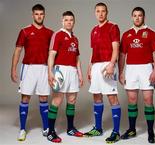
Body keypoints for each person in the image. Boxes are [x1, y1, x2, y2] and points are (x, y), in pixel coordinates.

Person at [119, 7, 155, 143]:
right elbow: (122, 55)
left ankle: (150, 132)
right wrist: (121, 72)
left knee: (148, 100)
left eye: (140, 15)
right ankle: (132, 129)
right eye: (135, 15)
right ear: (132, 17)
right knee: (132, 100)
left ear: (144, 17)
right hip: (131, 69)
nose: (137, 18)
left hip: (146, 68)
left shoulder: (151, 33)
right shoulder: (126, 34)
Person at [11, 4, 53, 141]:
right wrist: (13, 68)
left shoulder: (50, 33)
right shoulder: (25, 31)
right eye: (36, 14)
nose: (39, 16)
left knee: (43, 98)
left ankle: (46, 128)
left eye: (41, 14)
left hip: (44, 68)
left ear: (44, 15)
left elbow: (54, 54)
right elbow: (18, 50)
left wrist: (55, 71)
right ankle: (22, 129)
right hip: (28, 68)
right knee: (25, 98)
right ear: (32, 15)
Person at [84, 2, 121, 143]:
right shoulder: (93, 29)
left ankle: (116, 132)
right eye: (98, 11)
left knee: (112, 97)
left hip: (108, 64)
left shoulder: (113, 27)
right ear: (95, 13)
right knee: (97, 96)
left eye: (103, 11)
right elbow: (93, 50)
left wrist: (112, 64)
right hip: (96, 65)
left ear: (107, 12)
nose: (100, 13)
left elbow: (116, 48)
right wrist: (89, 66)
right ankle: (98, 128)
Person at [47, 11, 84, 143]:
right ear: (62, 21)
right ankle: (51, 131)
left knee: (72, 100)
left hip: (72, 70)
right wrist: (50, 72)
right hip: (60, 70)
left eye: (71, 20)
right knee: (57, 100)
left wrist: (80, 74)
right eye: (66, 20)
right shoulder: (58, 35)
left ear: (74, 22)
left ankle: (70, 128)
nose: (69, 22)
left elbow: (77, 58)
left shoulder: (75, 38)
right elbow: (51, 54)